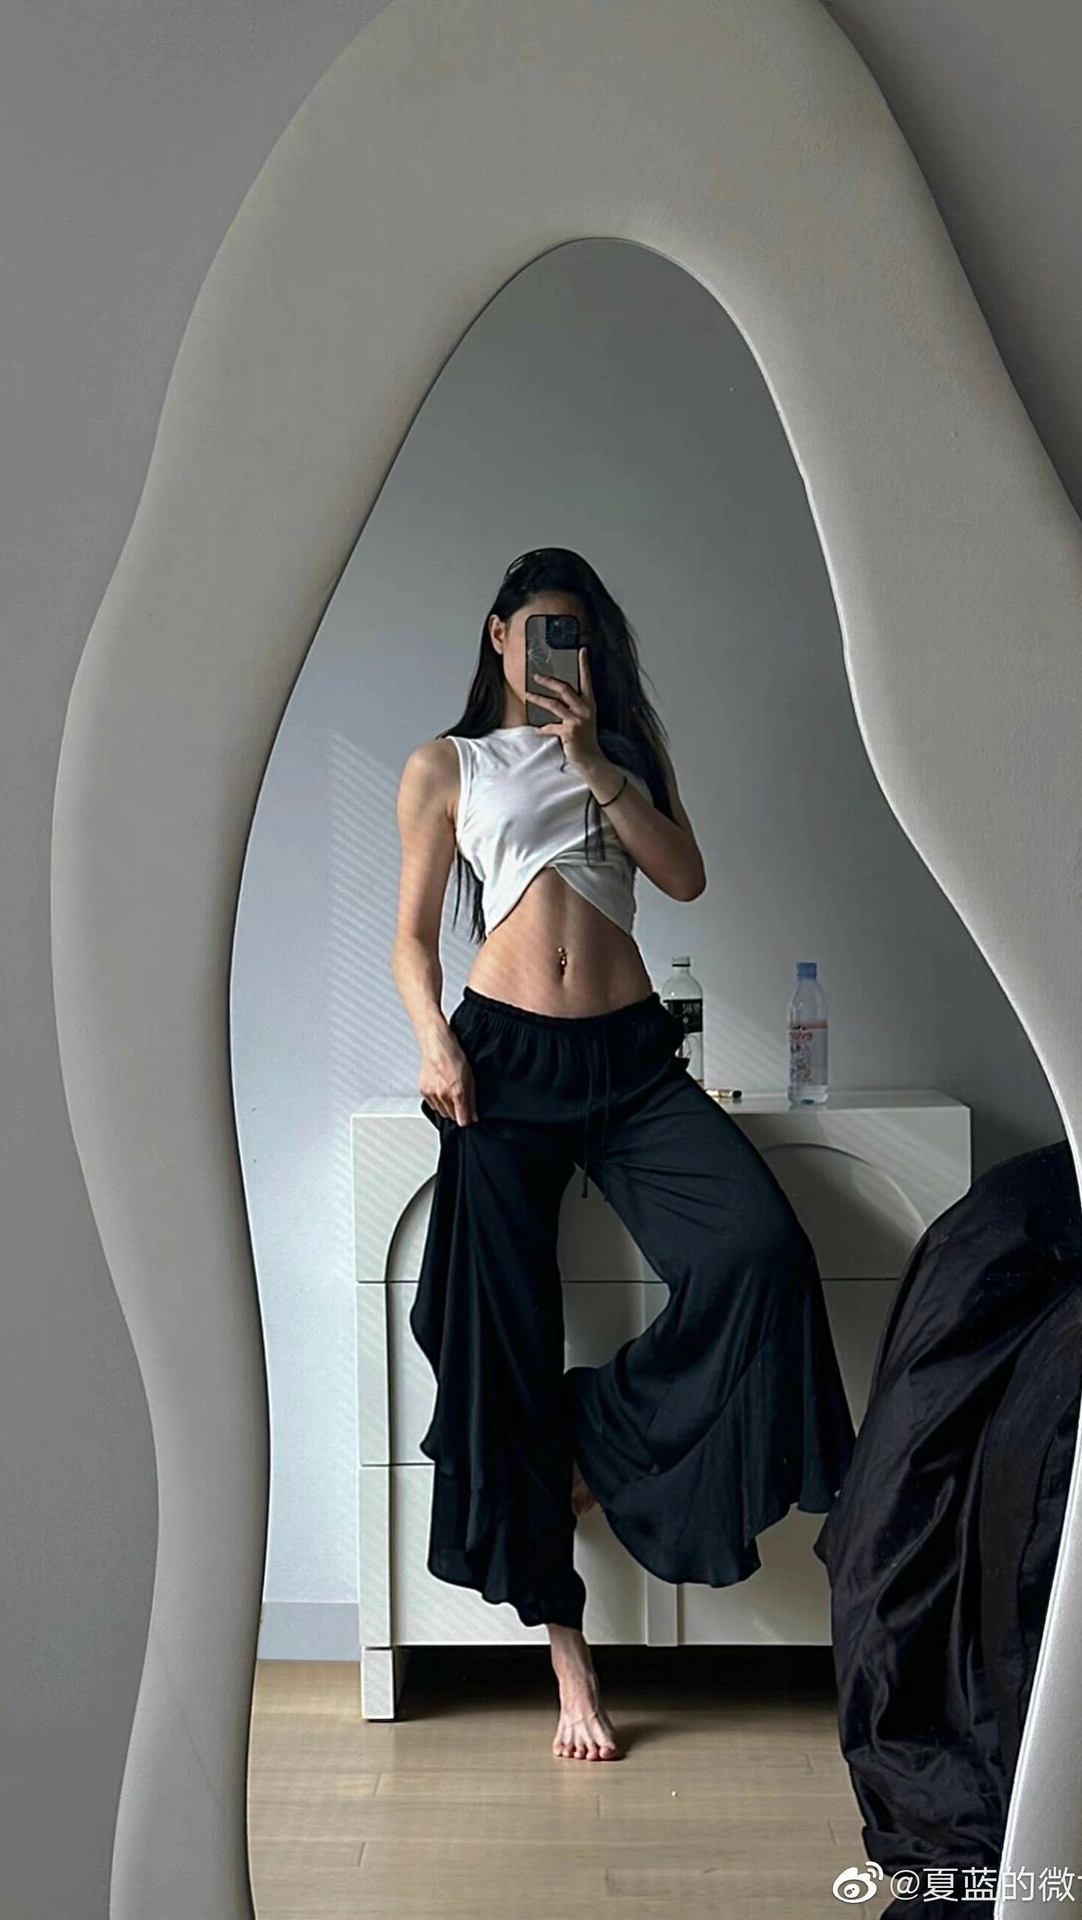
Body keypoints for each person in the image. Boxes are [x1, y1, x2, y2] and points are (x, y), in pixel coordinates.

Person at [390, 547, 857, 1763]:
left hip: (631, 1061)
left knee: (758, 1253)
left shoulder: (622, 760)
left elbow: (684, 877)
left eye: (579, 634)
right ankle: (569, 1657)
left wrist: (595, 761)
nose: (560, 650)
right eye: (540, 628)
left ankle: (586, 1435)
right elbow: (410, 940)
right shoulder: (446, 765)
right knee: (502, 1336)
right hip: (501, 1067)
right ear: (497, 636)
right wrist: (433, 1040)